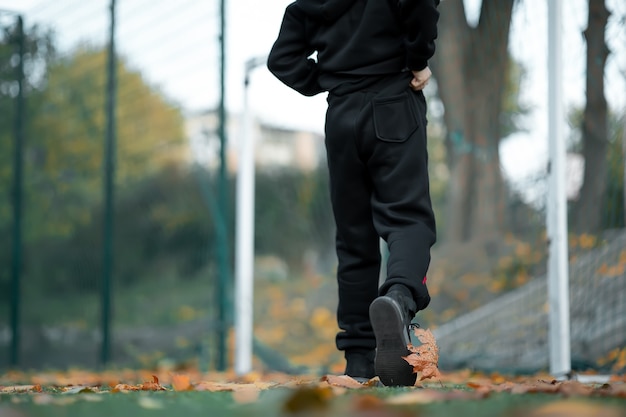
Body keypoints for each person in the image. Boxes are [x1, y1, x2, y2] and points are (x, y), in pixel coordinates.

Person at [267, 0, 439, 386]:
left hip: (341, 113)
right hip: (394, 99)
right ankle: (398, 298)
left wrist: (323, 79)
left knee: (354, 239)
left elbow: (282, 58)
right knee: (408, 220)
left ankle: (359, 359)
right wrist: (418, 59)